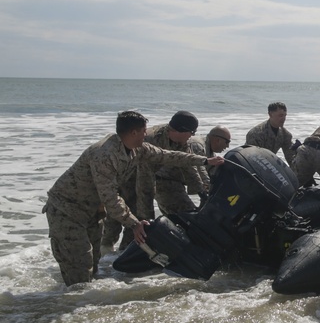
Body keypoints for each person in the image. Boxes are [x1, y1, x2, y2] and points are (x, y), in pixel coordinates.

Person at [44, 110, 225, 286]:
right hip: (67, 210)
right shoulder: (104, 154)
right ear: (134, 132)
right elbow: (111, 198)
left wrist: (204, 161)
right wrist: (134, 223)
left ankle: (82, 307)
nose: (147, 134)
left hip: (91, 212)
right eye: (144, 131)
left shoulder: (138, 148)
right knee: (79, 268)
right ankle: (58, 309)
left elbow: (167, 156)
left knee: (93, 265)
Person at [142, 110, 211, 216]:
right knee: (145, 217)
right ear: (181, 131)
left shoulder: (183, 143)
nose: (192, 136)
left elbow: (190, 167)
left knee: (187, 213)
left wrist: (203, 192)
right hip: (144, 179)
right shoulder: (150, 139)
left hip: (168, 178)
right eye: (192, 132)